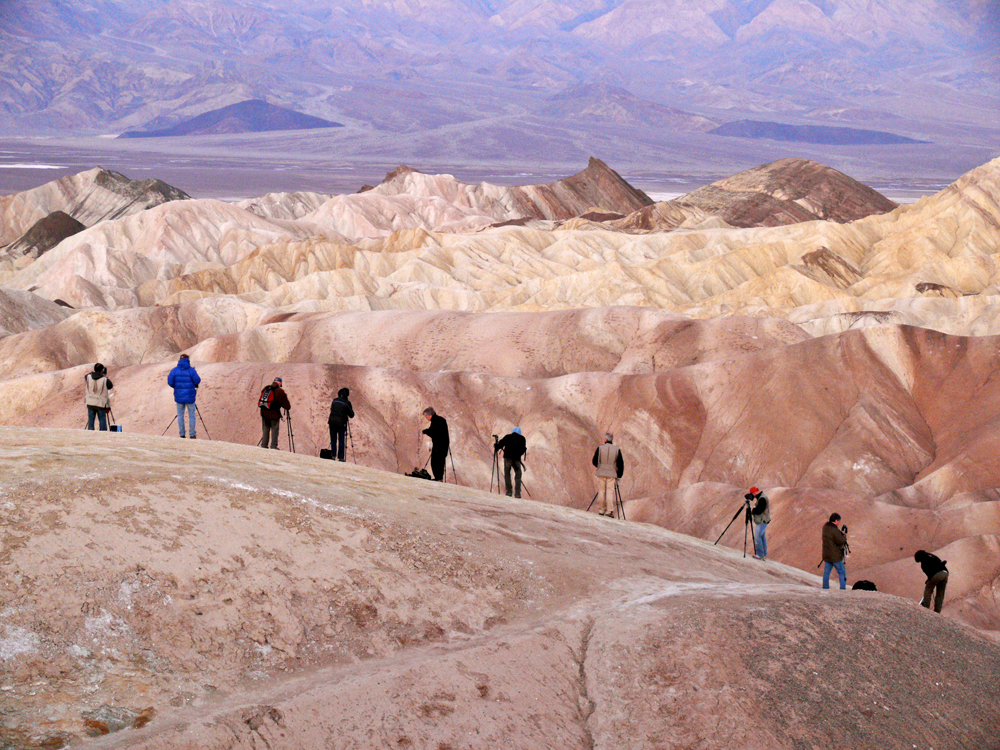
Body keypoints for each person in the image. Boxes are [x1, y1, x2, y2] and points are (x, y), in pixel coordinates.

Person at [167, 354, 201, 439]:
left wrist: (177, 387)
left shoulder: (174, 371)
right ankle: (192, 434)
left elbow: (170, 382)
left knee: (180, 416)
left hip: (179, 397)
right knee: (191, 416)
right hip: (190, 397)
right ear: (188, 360)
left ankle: (182, 434)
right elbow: (197, 380)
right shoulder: (191, 371)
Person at [592, 432, 624, 518]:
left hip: (601, 473)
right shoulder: (617, 450)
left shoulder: (600, 448)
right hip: (612, 474)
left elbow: (594, 461)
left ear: (605, 439)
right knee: (609, 492)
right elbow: (621, 464)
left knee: (601, 492)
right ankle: (609, 511)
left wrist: (600, 466)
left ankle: (601, 510)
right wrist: (619, 475)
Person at [259, 377, 291, 449]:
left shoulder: (266, 388)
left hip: (264, 412)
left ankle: (264, 445)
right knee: (274, 429)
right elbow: (287, 406)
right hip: (274, 414)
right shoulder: (280, 391)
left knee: (265, 428)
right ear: (280, 383)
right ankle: (273, 446)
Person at [494, 427, 527, 498]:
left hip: (508, 458)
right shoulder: (522, 439)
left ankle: (509, 491)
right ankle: (517, 494)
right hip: (516, 459)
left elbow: (500, 445)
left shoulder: (508, 437)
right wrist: (518, 455)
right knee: (518, 475)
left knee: (507, 474)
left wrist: (496, 446)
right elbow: (523, 449)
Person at [422, 407, 450, 482]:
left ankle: (438, 478)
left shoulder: (435, 421)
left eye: (426, 416)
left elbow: (433, 433)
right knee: (441, 462)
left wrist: (426, 431)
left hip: (438, 446)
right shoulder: (442, 420)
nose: (426, 418)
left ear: (430, 415)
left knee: (435, 462)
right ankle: (439, 478)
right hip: (444, 445)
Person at [822, 513, 848, 590]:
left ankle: (825, 588)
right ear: (836, 520)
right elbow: (841, 540)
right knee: (841, 572)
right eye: (838, 521)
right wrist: (843, 534)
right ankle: (843, 589)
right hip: (835, 556)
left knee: (826, 573)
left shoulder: (825, 527)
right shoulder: (834, 530)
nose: (839, 523)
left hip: (826, 555)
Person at [84, 363, 113, 431]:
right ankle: (103, 436)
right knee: (102, 421)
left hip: (90, 402)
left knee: (91, 422)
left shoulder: (88, 377)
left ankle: (90, 436)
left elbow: (86, 376)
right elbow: (110, 386)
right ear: (102, 370)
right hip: (100, 403)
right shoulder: (105, 379)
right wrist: (103, 375)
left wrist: (94, 373)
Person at [328, 387, 355, 461]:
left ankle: (333, 455)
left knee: (333, 439)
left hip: (332, 421)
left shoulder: (334, 400)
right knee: (341, 440)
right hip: (341, 423)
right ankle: (341, 457)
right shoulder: (347, 403)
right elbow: (351, 415)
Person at [748, 487, 770, 560]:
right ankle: (764, 554)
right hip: (764, 520)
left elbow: (760, 510)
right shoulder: (762, 497)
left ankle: (760, 555)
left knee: (757, 537)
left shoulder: (762, 499)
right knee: (762, 537)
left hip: (762, 521)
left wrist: (753, 510)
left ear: (754, 493)